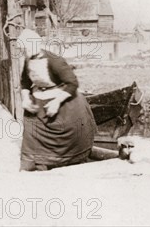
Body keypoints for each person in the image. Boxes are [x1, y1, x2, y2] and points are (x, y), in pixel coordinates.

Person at [17, 29, 97, 171]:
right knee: (30, 126)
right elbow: (24, 82)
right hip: (39, 98)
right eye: (23, 48)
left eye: (27, 47)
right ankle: (32, 164)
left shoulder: (54, 60)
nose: (25, 51)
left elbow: (72, 83)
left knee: (68, 131)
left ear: (36, 44)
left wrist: (56, 102)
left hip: (61, 97)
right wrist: (25, 98)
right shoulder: (28, 60)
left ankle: (66, 162)